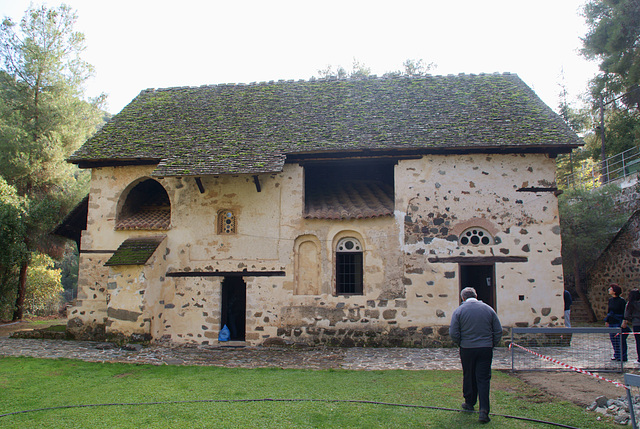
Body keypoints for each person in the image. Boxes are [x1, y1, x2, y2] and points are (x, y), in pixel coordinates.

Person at [449, 287, 503, 424]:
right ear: (476, 295)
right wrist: (491, 343)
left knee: (469, 375)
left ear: (463, 298)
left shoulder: (459, 311)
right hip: (485, 348)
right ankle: (484, 410)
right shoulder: (488, 309)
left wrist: (461, 343)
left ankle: (469, 402)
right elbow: (498, 330)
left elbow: (453, 333)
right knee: (483, 379)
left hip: (467, 348)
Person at [605, 284, 628, 361]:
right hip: (611, 321)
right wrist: (607, 320)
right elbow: (609, 310)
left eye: (610, 289)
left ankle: (623, 356)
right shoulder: (610, 300)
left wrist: (624, 321)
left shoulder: (621, 301)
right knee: (613, 339)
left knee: (620, 340)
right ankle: (617, 354)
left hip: (618, 321)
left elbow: (624, 312)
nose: (609, 290)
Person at [623, 289, 640, 364]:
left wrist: (631, 320)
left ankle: (639, 358)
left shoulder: (630, 304)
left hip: (636, 324)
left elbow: (627, 315)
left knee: (638, 342)